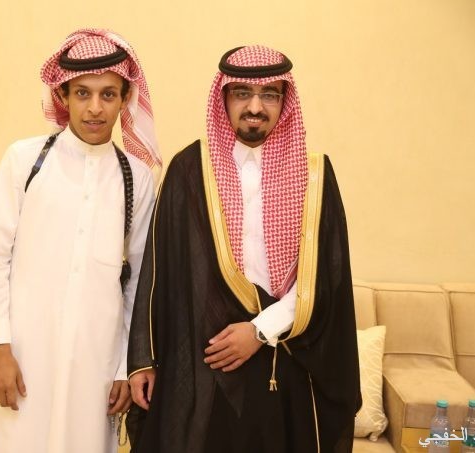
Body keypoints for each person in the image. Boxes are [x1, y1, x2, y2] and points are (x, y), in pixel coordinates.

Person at [127, 45, 361, 453]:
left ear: (285, 102)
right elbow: (158, 271)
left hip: (283, 357)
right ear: (223, 99)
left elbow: (326, 278)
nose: (255, 107)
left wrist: (259, 330)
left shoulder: (315, 176)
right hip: (203, 364)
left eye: (269, 94)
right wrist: (142, 360)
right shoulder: (189, 170)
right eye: (242, 94)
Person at [0, 29, 161, 453]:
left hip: (96, 363)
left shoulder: (137, 177)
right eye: (82, 94)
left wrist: (123, 366)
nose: (95, 108)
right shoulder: (25, 160)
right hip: (23, 356)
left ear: (124, 99)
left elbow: (137, 282)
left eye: (108, 95)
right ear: (63, 96)